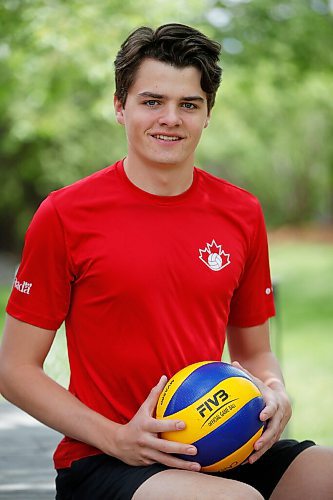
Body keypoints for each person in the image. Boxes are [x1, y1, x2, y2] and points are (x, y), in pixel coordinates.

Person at [0, 23, 332, 500]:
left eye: (189, 104)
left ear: (207, 114)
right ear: (120, 107)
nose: (170, 118)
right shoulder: (66, 214)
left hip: (220, 445)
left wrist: (274, 390)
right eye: (152, 101)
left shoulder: (241, 212)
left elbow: (254, 352)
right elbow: (15, 370)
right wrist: (116, 437)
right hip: (107, 458)